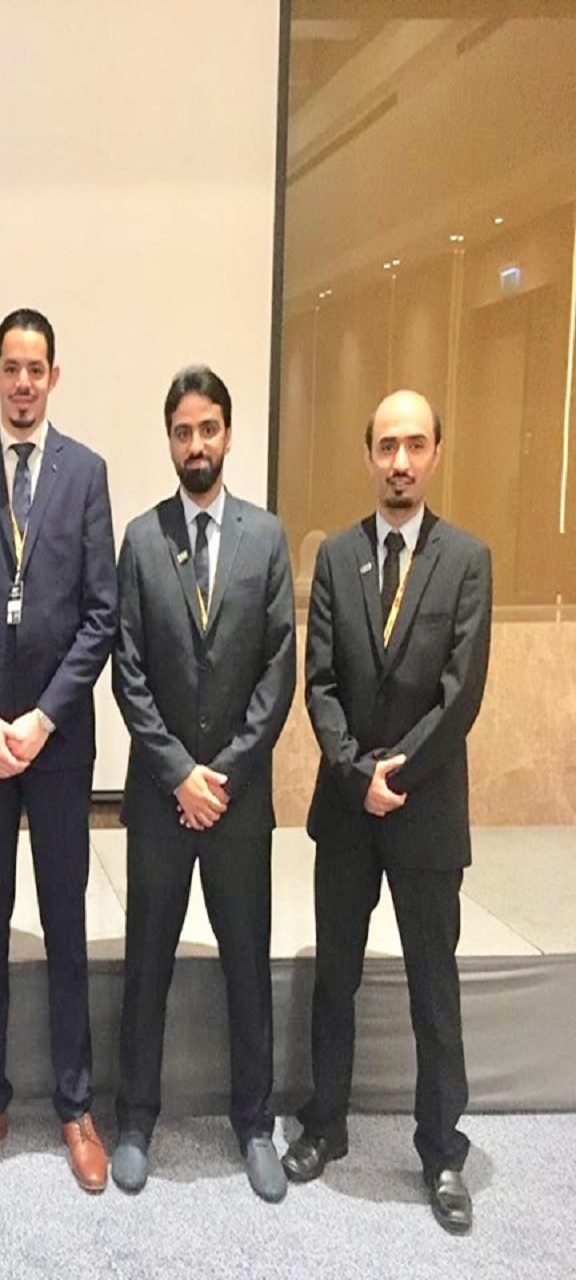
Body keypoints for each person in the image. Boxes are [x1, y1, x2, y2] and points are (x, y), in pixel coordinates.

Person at [284, 389, 492, 1236]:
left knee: (433, 988)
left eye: (414, 445)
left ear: (436, 452)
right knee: (335, 976)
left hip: (426, 811)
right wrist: (356, 771)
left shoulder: (467, 559)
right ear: (367, 455)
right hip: (347, 808)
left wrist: (396, 772)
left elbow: (461, 692)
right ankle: (324, 1124)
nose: (400, 462)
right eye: (386, 447)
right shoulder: (337, 557)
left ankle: (441, 1150)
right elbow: (321, 682)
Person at [0, 308, 118, 1192]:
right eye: (10, 368)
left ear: (53, 377)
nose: (21, 383)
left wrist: (41, 719)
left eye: (35, 369)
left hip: (57, 743)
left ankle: (75, 1106)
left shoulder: (86, 473)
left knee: (65, 924)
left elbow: (100, 614)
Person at [110, 365, 295, 1200]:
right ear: (169, 440)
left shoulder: (267, 538)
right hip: (160, 799)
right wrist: (180, 772)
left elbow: (278, 668)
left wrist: (225, 771)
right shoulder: (142, 539)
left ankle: (254, 1123)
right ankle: (135, 1120)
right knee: (146, 964)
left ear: (228, 434)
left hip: (239, 800)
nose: (196, 444)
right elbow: (128, 671)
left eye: (208, 429)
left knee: (246, 965)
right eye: (183, 431)